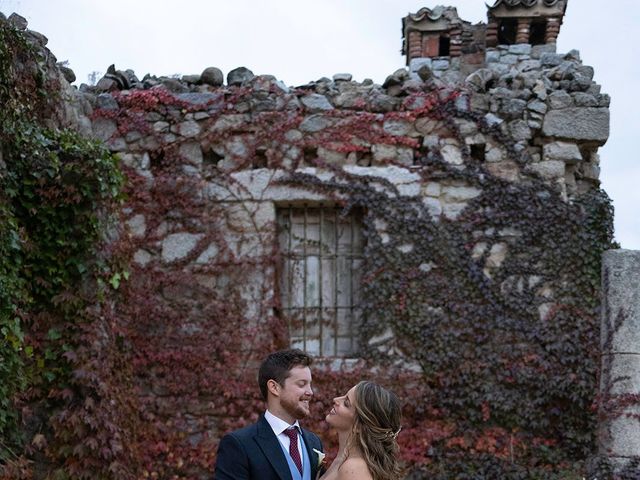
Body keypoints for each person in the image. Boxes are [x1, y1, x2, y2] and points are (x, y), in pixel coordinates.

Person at [213, 349, 325, 480]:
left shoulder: (314, 442)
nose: (310, 392)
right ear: (274, 387)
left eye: (310, 384)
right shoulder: (238, 445)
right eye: (302, 384)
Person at [319, 381, 402, 480]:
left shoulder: (353, 468)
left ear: (359, 426)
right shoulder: (342, 461)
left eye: (346, 403)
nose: (335, 399)